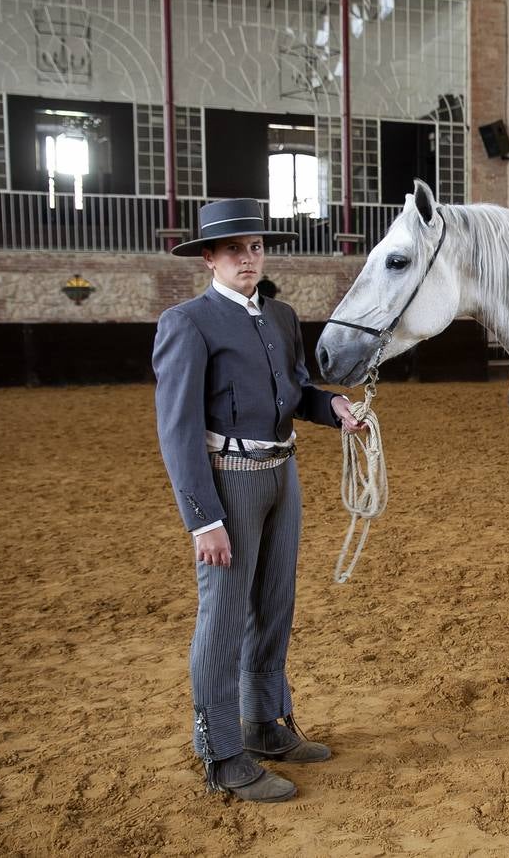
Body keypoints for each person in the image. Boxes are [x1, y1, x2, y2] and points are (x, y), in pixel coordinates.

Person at [153, 198, 364, 802]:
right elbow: (178, 430)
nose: (247, 258)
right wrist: (203, 519)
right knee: (221, 616)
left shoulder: (281, 317)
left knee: (274, 602)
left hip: (281, 474)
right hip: (229, 480)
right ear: (210, 259)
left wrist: (334, 408)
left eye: (255, 247)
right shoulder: (187, 323)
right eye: (233, 250)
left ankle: (264, 724)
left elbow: (296, 391)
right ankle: (221, 752)